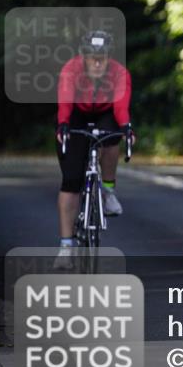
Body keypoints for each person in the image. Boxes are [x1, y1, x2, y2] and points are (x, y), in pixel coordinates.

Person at [54, 30, 134, 267]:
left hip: (106, 112)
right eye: (92, 56)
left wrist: (127, 128)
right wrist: (63, 126)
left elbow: (121, 106)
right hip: (76, 114)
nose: (97, 61)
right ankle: (66, 247)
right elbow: (65, 101)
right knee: (71, 180)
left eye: (102, 56)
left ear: (109, 57)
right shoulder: (71, 70)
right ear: (84, 56)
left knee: (112, 137)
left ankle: (108, 190)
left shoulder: (120, 73)